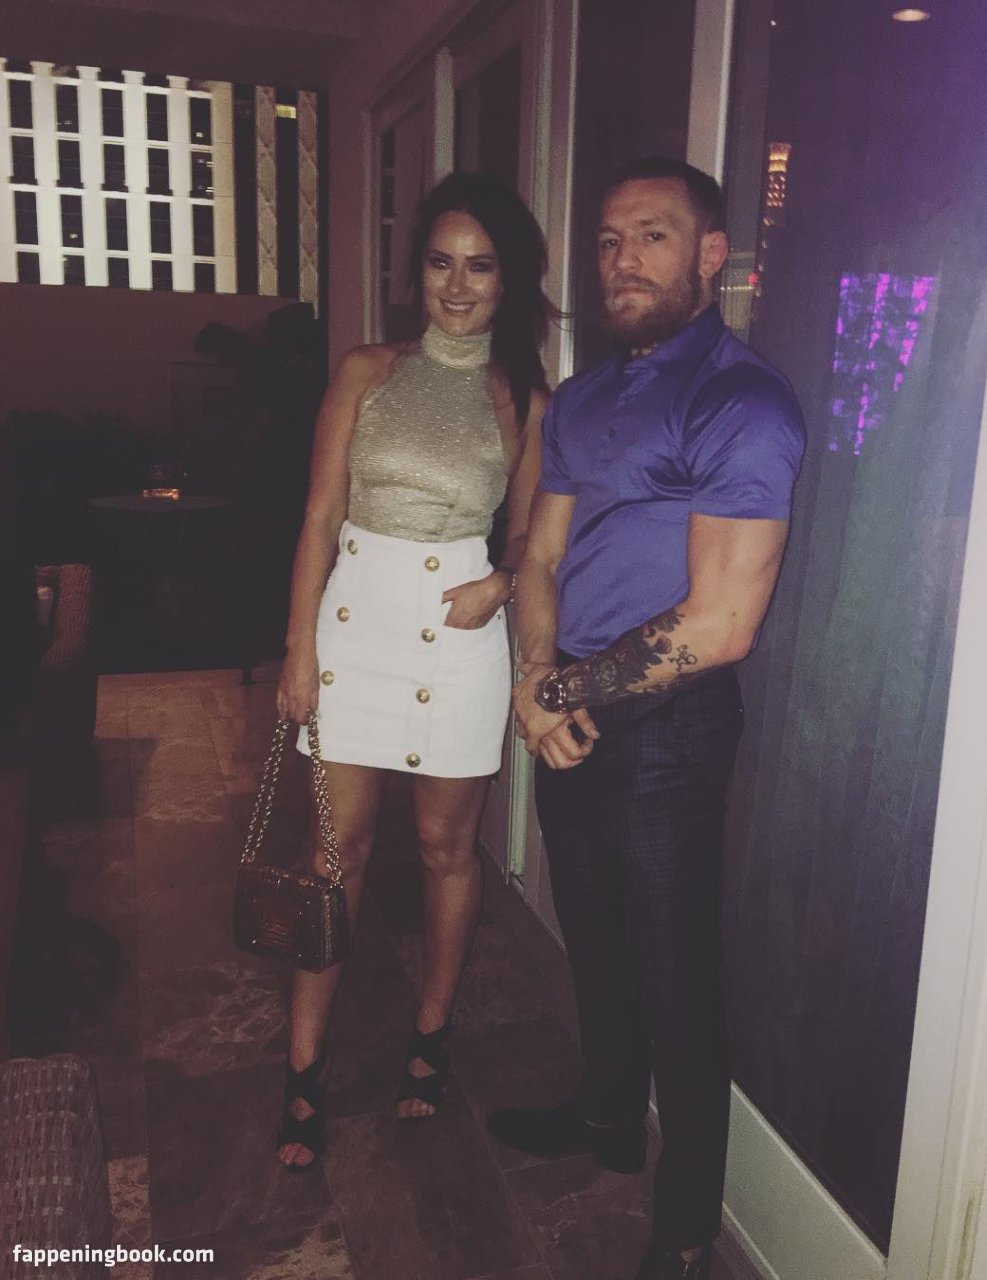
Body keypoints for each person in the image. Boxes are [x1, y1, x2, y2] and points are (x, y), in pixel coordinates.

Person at [486, 157, 805, 1280]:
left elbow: (720, 624)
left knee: (676, 977)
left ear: (710, 255)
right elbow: (539, 555)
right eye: (609, 240)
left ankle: (681, 1229)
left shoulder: (740, 401)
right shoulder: (582, 399)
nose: (621, 260)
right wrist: (536, 674)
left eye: (652, 237)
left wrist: (559, 695)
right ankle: (607, 1115)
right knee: (593, 935)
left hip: (669, 724)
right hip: (567, 698)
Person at [274, 171, 550, 1169]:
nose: (457, 285)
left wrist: (502, 582)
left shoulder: (522, 397)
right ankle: (302, 1060)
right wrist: (299, 647)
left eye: (479, 266)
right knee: (332, 854)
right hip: (355, 630)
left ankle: (430, 1031)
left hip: (456, 632)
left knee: (445, 849)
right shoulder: (365, 369)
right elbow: (318, 517)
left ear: (507, 281)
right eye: (440, 262)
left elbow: (529, 537)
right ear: (417, 272)